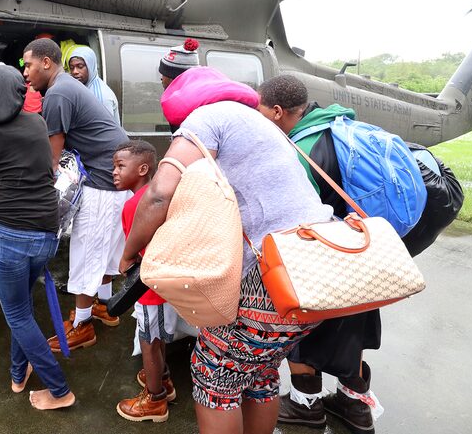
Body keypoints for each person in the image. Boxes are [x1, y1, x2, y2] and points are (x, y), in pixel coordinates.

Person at [119, 67, 333, 434]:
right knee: (260, 371)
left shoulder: (207, 118)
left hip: (273, 276)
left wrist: (128, 253)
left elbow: (158, 194)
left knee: (215, 376)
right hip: (317, 270)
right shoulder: (260, 125)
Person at [258, 74, 381, 434]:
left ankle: (305, 406)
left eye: (261, 110)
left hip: (328, 256)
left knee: (303, 329)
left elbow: (294, 220)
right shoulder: (339, 123)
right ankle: (356, 406)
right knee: (353, 328)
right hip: (362, 248)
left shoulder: (301, 149)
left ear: (278, 111)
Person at [0, 64, 76, 411]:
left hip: (8, 232)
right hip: (46, 230)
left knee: (16, 314)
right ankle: (17, 374)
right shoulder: (36, 123)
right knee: (21, 304)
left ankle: (59, 390)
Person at [22, 38, 130, 352]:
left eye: (28, 65)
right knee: (107, 247)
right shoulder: (68, 85)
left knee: (87, 250)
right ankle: (103, 308)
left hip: (103, 179)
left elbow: (53, 160)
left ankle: (82, 325)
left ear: (46, 62)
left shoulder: (57, 93)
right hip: (115, 174)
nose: (26, 73)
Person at [111, 140, 178, 423]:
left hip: (150, 285)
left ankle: (155, 400)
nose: (113, 171)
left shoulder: (137, 205)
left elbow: (138, 247)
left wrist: (125, 260)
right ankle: (162, 378)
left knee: (149, 339)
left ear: (142, 169)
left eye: (119, 166)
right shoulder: (152, 197)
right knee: (156, 335)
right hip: (159, 281)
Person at [68, 46, 120, 124]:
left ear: (90, 66)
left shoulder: (99, 96)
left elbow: (103, 131)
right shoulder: (81, 89)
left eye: (80, 67)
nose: (75, 71)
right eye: (72, 68)